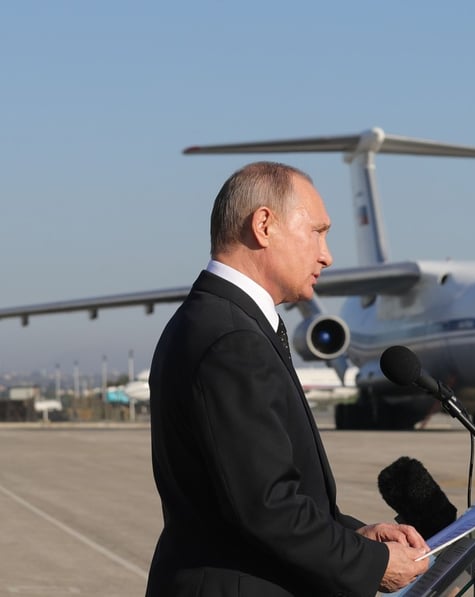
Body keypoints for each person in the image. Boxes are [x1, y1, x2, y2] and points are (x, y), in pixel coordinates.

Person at [145, 162, 428, 597]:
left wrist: (354, 537)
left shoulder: (216, 320)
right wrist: (372, 565)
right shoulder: (232, 339)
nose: (327, 254)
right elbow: (268, 508)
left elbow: (261, 497)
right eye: (317, 231)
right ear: (263, 225)